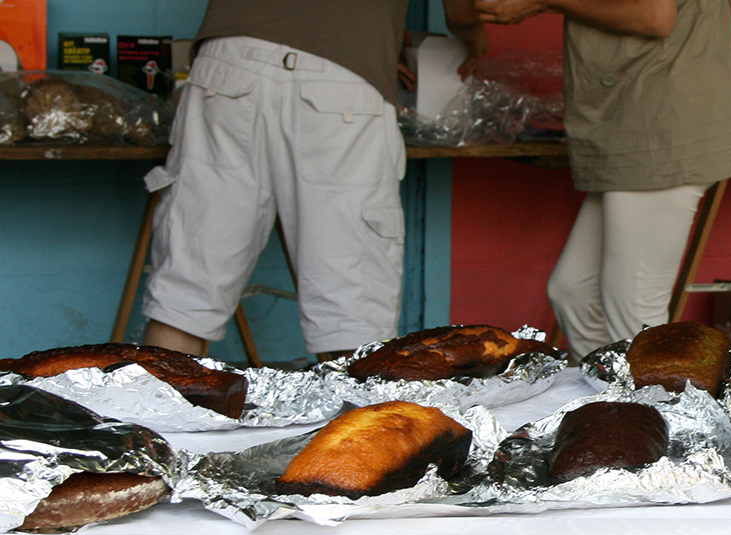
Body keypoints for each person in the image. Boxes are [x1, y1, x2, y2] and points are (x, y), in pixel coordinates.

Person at [141, 0, 488, 360]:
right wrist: (473, 39)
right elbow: (464, 8)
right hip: (340, 86)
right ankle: (355, 417)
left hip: (227, 64)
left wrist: (384, 37)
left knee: (185, 299)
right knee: (350, 313)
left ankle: (154, 412)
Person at [476, 0, 731, 361]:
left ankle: (654, 411)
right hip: (634, 117)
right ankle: (613, 406)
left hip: (660, 122)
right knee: (574, 292)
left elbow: (654, 16)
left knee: (634, 307)